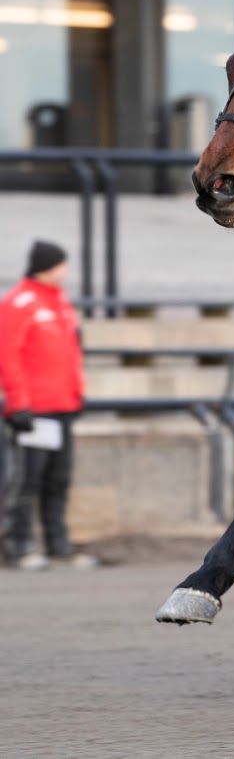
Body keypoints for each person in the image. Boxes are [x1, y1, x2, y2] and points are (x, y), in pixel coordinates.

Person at [0, 240, 96, 570]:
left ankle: (58, 544)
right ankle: (20, 544)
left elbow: (70, 355)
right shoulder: (19, 303)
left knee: (58, 480)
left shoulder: (59, 304)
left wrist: (76, 395)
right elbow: (7, 357)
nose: (66, 272)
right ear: (48, 266)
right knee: (27, 481)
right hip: (34, 411)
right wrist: (19, 404)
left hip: (61, 407)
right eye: (61, 265)